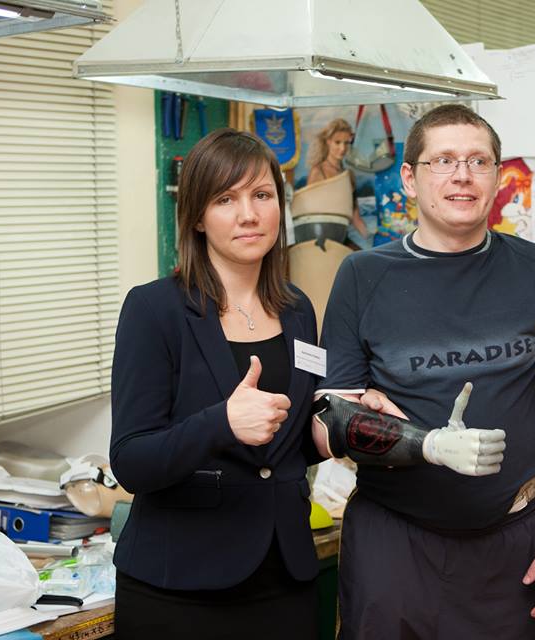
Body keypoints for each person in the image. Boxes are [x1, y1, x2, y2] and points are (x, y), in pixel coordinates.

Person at [312, 104, 535, 639]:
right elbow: (328, 424)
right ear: (410, 178)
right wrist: (420, 443)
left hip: (515, 543)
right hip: (393, 544)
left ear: (497, 175)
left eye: (478, 161)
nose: (462, 175)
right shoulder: (362, 275)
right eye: (442, 161)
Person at [110, 129, 321, 639]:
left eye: (262, 195)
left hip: (285, 581)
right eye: (226, 199)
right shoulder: (154, 309)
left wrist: (348, 418)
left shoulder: (297, 310)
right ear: (198, 217)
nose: (249, 214)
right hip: (180, 589)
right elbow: (132, 461)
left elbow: (288, 447)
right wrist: (220, 423)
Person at [307, 117, 367, 239]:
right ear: (328, 141)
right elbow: (309, 215)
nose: (342, 148)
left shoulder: (349, 175)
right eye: (337, 142)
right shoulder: (318, 172)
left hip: (344, 234)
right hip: (321, 238)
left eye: (346, 143)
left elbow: (356, 217)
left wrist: (370, 241)